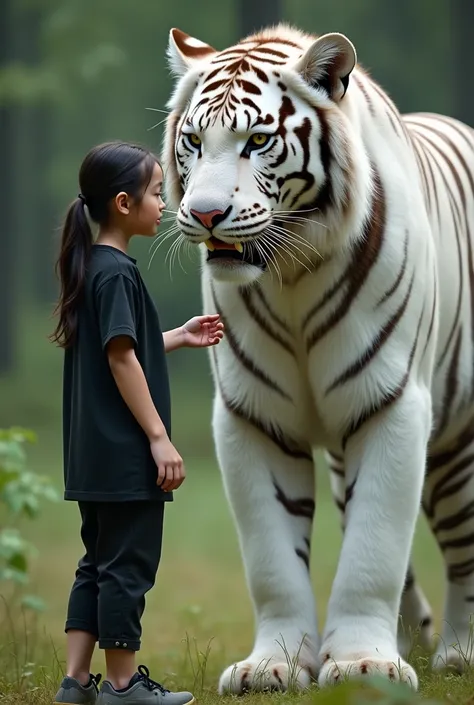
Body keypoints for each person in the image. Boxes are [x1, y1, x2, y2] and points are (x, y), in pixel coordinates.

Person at [49, 141, 224, 705]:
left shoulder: (92, 269)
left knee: (96, 564)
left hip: (91, 454)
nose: (165, 203)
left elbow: (122, 350)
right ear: (123, 204)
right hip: (125, 455)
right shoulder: (118, 273)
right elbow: (121, 359)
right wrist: (158, 438)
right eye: (156, 193)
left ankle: (76, 682)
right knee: (127, 566)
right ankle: (124, 686)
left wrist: (177, 335)